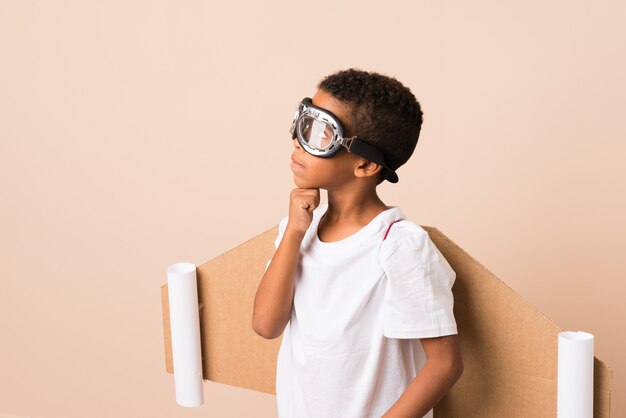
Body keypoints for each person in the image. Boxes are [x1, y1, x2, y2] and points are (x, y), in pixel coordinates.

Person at [252, 68, 463, 418]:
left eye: (321, 133)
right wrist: (293, 234)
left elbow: (445, 365)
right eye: (303, 121)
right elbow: (266, 325)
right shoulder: (297, 229)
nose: (298, 141)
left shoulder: (399, 246)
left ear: (364, 163)